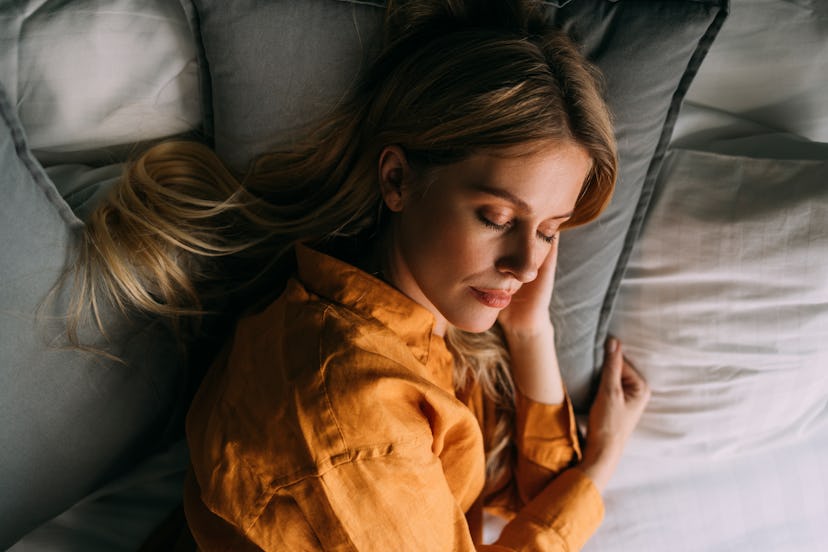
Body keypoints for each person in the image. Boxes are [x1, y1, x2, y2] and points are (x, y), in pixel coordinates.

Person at [78, 0, 650, 549]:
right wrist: (598, 468)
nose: (527, 265)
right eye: (497, 218)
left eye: (550, 231)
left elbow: (527, 497)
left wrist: (531, 335)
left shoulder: (410, 322)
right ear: (398, 180)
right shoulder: (355, 412)